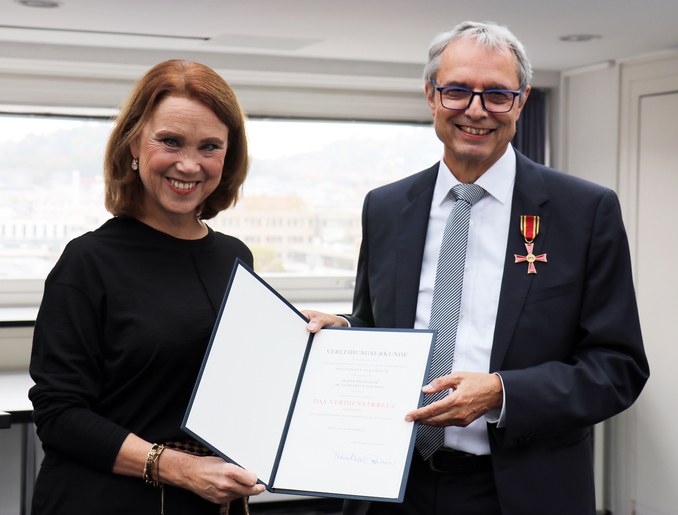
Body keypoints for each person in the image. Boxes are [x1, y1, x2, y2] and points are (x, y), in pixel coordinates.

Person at [303, 21, 649, 515]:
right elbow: (379, 324)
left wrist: (501, 392)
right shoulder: (384, 207)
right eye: (458, 91)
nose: (476, 110)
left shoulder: (583, 211)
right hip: (394, 485)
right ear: (430, 95)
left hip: (521, 490)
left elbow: (618, 368)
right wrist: (347, 330)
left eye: (496, 95)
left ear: (522, 100)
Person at [29, 59, 266, 514]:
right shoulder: (88, 261)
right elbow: (58, 416)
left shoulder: (235, 257)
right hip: (106, 500)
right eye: (170, 141)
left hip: (211, 500)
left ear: (228, 156)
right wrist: (179, 468)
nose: (189, 164)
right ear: (134, 143)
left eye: (210, 146)